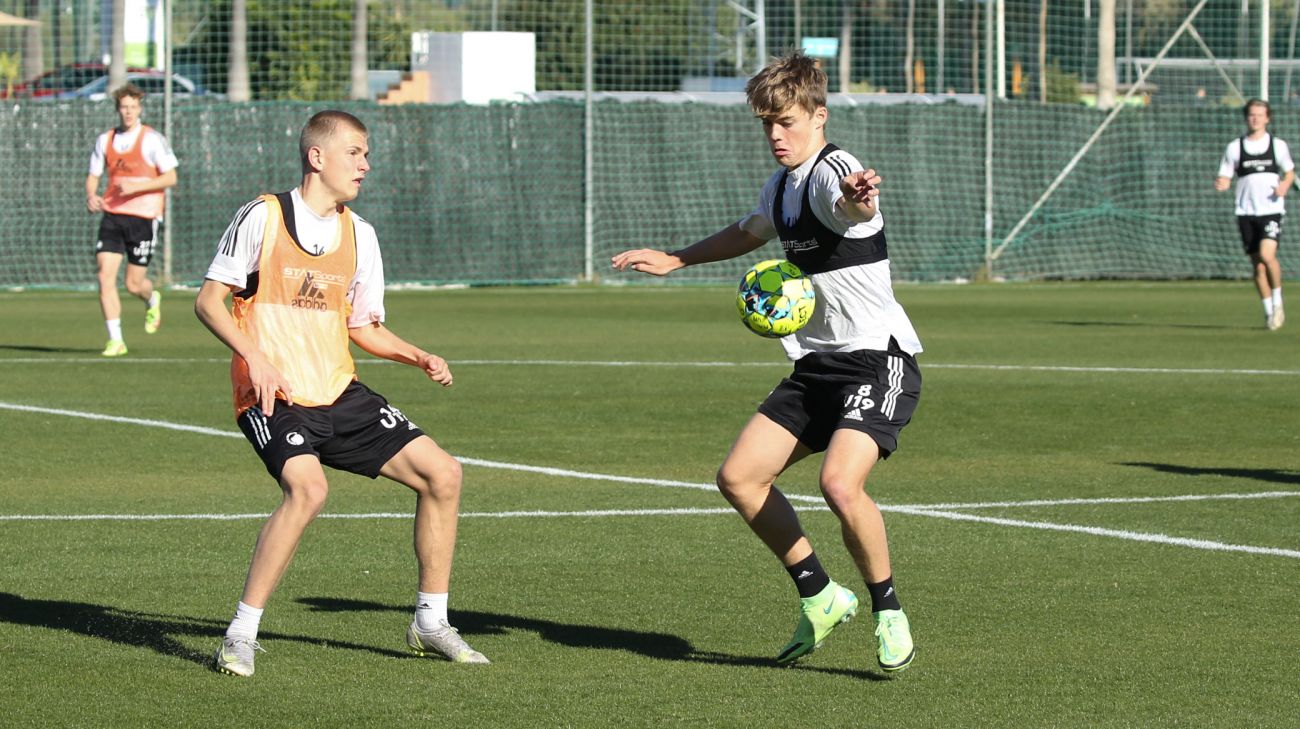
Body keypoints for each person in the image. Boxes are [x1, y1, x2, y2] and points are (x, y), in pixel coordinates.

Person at [611, 52, 921, 674]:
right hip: (818, 365)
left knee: (839, 484)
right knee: (740, 477)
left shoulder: (837, 171)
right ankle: (821, 596)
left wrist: (861, 197)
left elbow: (854, 203)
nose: (776, 135)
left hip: (876, 360)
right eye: (766, 124)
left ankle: (887, 608)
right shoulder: (780, 187)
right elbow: (750, 232)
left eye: (786, 121)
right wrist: (676, 258)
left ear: (818, 116)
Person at [195, 110, 487, 677]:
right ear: (317, 157)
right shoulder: (264, 215)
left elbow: (363, 326)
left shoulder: (361, 234)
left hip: (337, 390)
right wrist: (256, 357)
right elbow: (209, 301)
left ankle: (430, 621)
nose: (366, 164)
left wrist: (417, 355)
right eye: (355, 152)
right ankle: (241, 634)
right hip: (273, 396)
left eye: (366, 154)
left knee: (444, 474)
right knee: (308, 490)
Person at [85, 83, 175, 357]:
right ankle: (116, 339)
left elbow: (171, 177)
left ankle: (151, 298)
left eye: (133, 107)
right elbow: (93, 175)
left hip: (144, 217)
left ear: (139, 109)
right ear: (118, 109)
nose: (128, 112)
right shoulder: (106, 140)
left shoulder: (152, 139)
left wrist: (137, 188)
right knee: (104, 277)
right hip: (113, 215)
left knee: (133, 283)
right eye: (124, 107)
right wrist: (91, 195)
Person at [1214, 98, 1294, 330]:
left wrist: (1284, 186)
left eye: (1260, 114)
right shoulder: (1234, 147)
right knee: (1258, 266)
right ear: (1246, 117)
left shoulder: (1277, 145)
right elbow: (1225, 176)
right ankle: (1269, 312)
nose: (1256, 118)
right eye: (1252, 114)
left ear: (1267, 118)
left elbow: (1289, 173)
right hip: (1246, 211)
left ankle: (1278, 303)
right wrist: (1221, 184)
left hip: (1271, 210)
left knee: (1268, 256)